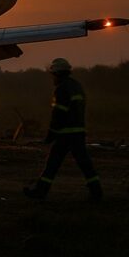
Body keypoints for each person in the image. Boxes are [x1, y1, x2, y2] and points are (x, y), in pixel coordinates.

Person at [24, 58, 102, 200]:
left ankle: (40, 191)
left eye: (52, 75)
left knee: (53, 163)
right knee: (85, 163)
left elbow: (58, 115)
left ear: (57, 74)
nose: (52, 78)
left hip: (65, 134)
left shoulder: (61, 89)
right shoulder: (76, 86)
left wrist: (50, 135)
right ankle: (96, 191)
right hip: (78, 132)